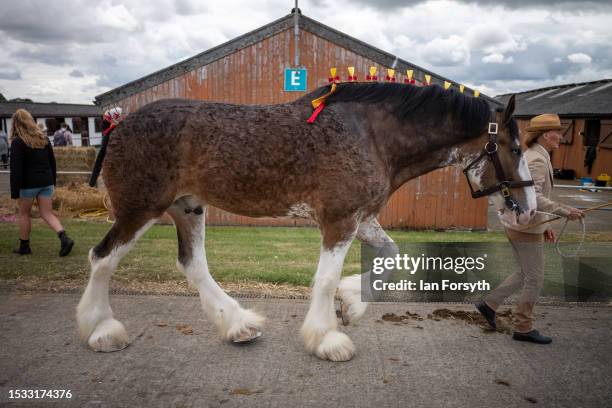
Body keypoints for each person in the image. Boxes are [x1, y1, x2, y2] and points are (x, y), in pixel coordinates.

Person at [476, 113, 584, 344]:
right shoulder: (536, 159)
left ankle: (489, 304)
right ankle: (523, 327)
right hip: (523, 227)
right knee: (535, 278)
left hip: (526, 225)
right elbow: (532, 195)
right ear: (546, 135)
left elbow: (530, 196)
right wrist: (565, 211)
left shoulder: (536, 155)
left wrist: (545, 226)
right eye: (558, 132)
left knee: (526, 273)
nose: (562, 136)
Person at [9, 109, 74, 256]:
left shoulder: (18, 142)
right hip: (46, 182)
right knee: (47, 213)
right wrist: (52, 181)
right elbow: (52, 163)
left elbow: (16, 169)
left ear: (16, 124)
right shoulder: (43, 139)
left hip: (28, 184)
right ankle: (64, 238)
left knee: (24, 214)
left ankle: (24, 247)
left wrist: (14, 191)